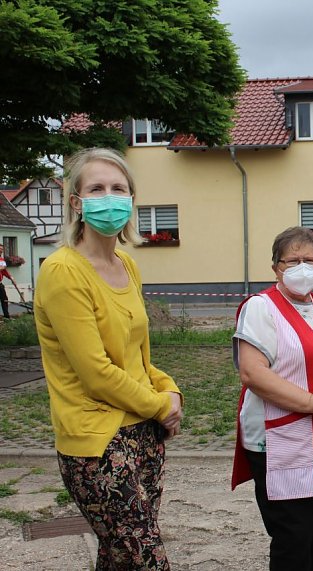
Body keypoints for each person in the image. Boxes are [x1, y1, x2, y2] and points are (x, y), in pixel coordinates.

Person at [33, 147, 183, 570]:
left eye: (119, 188)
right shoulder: (63, 271)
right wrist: (161, 406)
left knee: (119, 559)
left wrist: (170, 391)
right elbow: (97, 373)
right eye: (97, 188)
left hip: (144, 435)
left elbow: (137, 357)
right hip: (97, 443)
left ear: (132, 199)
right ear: (76, 202)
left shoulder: (127, 265)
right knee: (147, 560)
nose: (110, 196)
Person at [231, 226, 313, 571]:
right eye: (292, 260)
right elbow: (252, 373)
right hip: (281, 441)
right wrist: (311, 402)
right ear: (276, 267)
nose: (301, 267)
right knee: (294, 541)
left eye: (309, 260)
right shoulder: (261, 308)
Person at [0, 243, 22, 318]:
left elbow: (4, 271)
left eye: (2, 249)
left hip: (0, 284)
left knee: (4, 299)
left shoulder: (2, 260)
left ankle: (7, 316)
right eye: (0, 249)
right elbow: (2, 268)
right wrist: (1, 268)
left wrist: (11, 278)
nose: (1, 251)